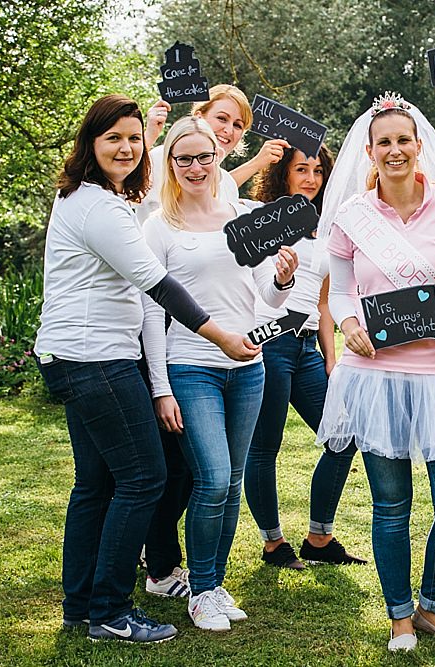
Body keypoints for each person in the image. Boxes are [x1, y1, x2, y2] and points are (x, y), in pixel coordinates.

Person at [34, 94, 258, 643]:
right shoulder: (101, 208)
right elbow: (158, 285)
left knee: (95, 484)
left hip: (71, 354)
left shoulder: (85, 197)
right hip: (96, 358)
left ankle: (80, 605)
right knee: (143, 479)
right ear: (90, 143)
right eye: (113, 138)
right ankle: (110, 611)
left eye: (134, 139)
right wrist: (220, 337)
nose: (126, 148)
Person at [316, 93, 435, 651]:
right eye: (384, 142)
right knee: (391, 505)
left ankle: (433, 607)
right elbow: (340, 290)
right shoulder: (353, 216)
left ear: (418, 146)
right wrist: (347, 323)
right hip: (377, 373)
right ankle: (400, 618)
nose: (394, 150)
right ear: (370, 151)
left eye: (403, 141)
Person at [140, 117, 298, 631]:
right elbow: (151, 314)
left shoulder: (245, 216)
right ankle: (202, 590)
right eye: (183, 158)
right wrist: (161, 388)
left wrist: (283, 278)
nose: (195, 167)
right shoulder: (158, 226)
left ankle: (214, 583)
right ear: (170, 163)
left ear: (217, 158)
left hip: (248, 368)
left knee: (230, 482)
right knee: (210, 478)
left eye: (203, 156)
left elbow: (268, 296)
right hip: (191, 368)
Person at [242, 143, 367, 569]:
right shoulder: (263, 218)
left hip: (307, 345)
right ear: (284, 174)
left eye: (317, 170)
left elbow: (325, 301)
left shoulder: (327, 229)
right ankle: (273, 543)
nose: (311, 178)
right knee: (265, 447)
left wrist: (331, 358)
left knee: (343, 436)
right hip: (270, 342)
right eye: (301, 169)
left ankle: (319, 538)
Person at [139, 84, 293, 222]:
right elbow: (127, 186)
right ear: (199, 117)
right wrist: (149, 136)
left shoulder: (227, 184)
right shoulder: (161, 158)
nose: (229, 130)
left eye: (238, 125)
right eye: (222, 118)